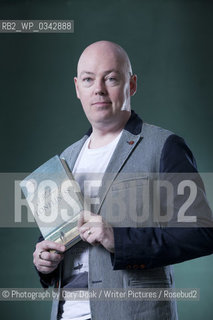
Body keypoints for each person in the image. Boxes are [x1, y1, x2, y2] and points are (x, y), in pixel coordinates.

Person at [33, 40, 213, 320]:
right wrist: (45, 264)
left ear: (132, 85)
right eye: (88, 79)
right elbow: (56, 247)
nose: (99, 89)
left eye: (111, 78)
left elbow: (202, 232)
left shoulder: (164, 146)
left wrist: (119, 238)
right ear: (77, 88)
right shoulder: (65, 159)